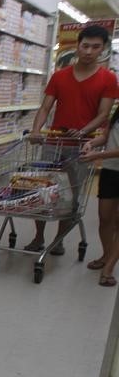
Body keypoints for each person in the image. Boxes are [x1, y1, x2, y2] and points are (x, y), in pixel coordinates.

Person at [26, 24, 118, 256]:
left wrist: (82, 131)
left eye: (95, 47)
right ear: (77, 46)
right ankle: (38, 237)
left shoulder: (108, 79)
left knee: (70, 195)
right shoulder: (59, 76)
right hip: (54, 141)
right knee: (43, 191)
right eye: (85, 45)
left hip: (83, 147)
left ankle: (58, 240)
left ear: (103, 49)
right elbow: (46, 106)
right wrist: (37, 129)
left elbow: (103, 115)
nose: (88, 51)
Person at [80, 108, 119, 286]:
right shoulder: (117, 113)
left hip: (109, 163)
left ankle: (109, 268)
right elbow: (106, 137)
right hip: (110, 171)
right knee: (104, 218)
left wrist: (97, 155)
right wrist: (92, 143)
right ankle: (106, 255)